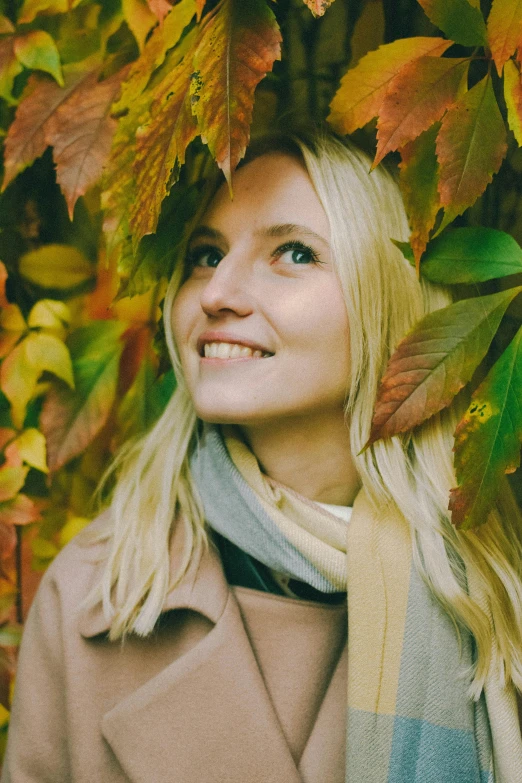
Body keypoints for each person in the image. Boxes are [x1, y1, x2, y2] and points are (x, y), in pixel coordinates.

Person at [2, 129, 522, 783]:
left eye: (294, 253)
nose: (217, 290)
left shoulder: (491, 590)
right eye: (204, 254)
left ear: (388, 299)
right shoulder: (93, 597)